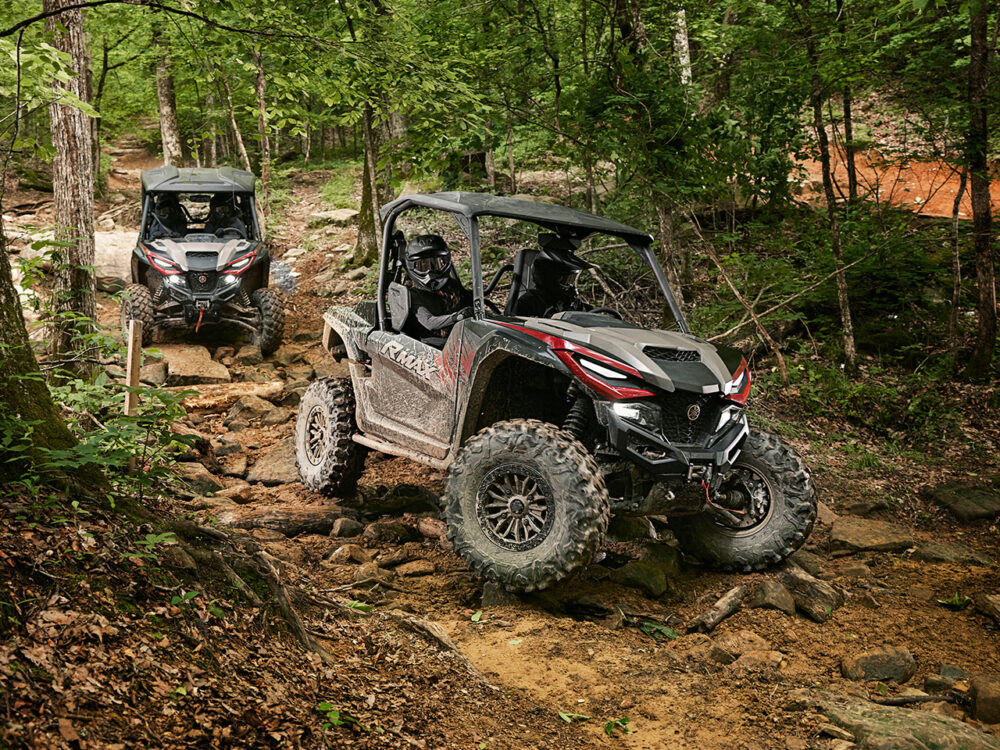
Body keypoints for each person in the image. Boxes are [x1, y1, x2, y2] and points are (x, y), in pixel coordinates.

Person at [402, 234, 473, 346]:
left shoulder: (452, 286)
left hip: (459, 338)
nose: (431, 272)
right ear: (412, 267)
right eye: (423, 266)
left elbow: (471, 305)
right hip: (429, 346)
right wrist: (458, 316)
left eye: (437, 264)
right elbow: (429, 322)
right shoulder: (412, 293)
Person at [513, 233, 593, 318]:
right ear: (549, 277)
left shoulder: (568, 300)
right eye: (565, 280)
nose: (569, 284)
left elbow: (588, 315)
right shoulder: (529, 302)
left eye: (571, 279)